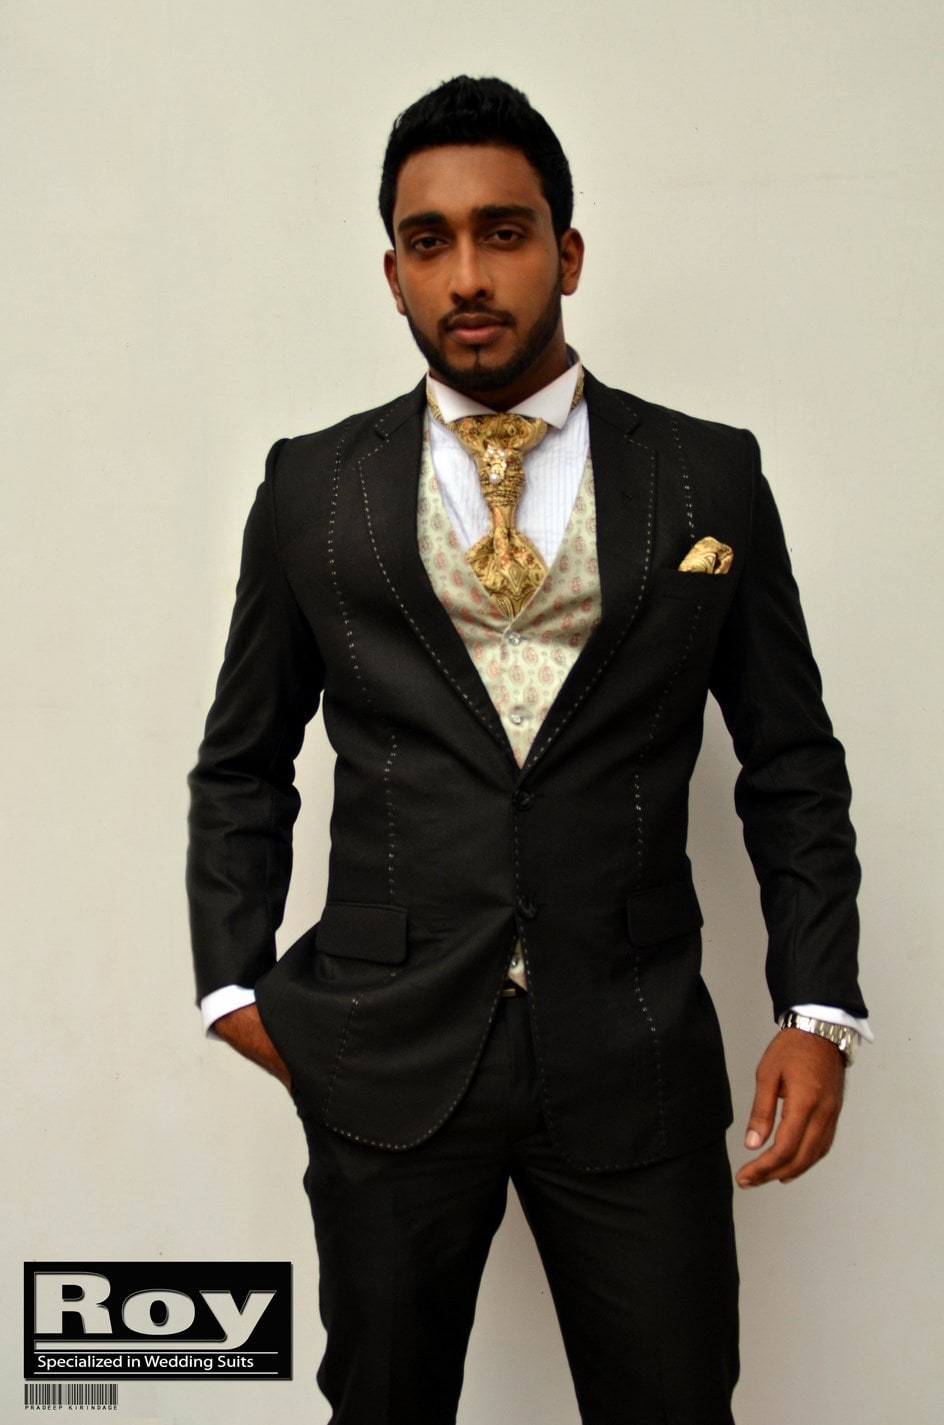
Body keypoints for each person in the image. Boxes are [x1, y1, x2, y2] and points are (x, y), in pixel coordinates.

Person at [187, 76, 869, 1425]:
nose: (467, 274)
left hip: (634, 1045)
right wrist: (230, 985)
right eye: (428, 241)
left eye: (503, 232)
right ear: (393, 271)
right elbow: (243, 760)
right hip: (384, 1053)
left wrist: (817, 1008)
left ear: (567, 250)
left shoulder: (708, 478)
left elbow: (791, 762)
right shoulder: (312, 488)